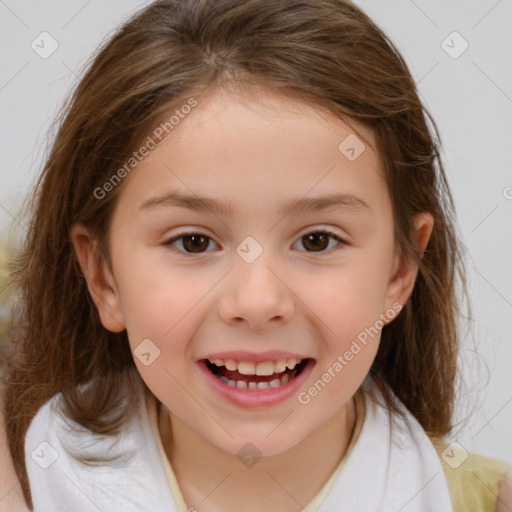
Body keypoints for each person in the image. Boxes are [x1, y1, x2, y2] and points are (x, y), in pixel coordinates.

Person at [1, 0, 511, 511]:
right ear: (103, 276)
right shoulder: (29, 481)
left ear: (399, 271)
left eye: (317, 240)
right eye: (193, 242)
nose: (258, 300)